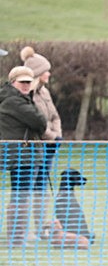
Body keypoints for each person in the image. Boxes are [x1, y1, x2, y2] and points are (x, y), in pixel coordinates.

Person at [0, 66, 47, 247]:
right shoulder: (15, 101)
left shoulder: (15, 98)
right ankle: (17, 238)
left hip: (18, 153)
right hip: (22, 155)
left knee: (20, 196)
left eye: (29, 82)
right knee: (21, 197)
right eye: (23, 82)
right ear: (13, 82)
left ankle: (17, 237)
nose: (27, 86)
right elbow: (40, 122)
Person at [21, 46, 62, 239]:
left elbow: (54, 116)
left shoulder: (45, 92)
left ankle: (40, 229)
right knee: (28, 188)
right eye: (46, 70)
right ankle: (26, 231)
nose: (49, 73)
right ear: (38, 73)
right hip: (34, 147)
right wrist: (52, 136)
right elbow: (36, 123)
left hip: (49, 146)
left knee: (41, 188)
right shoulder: (27, 94)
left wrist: (57, 137)